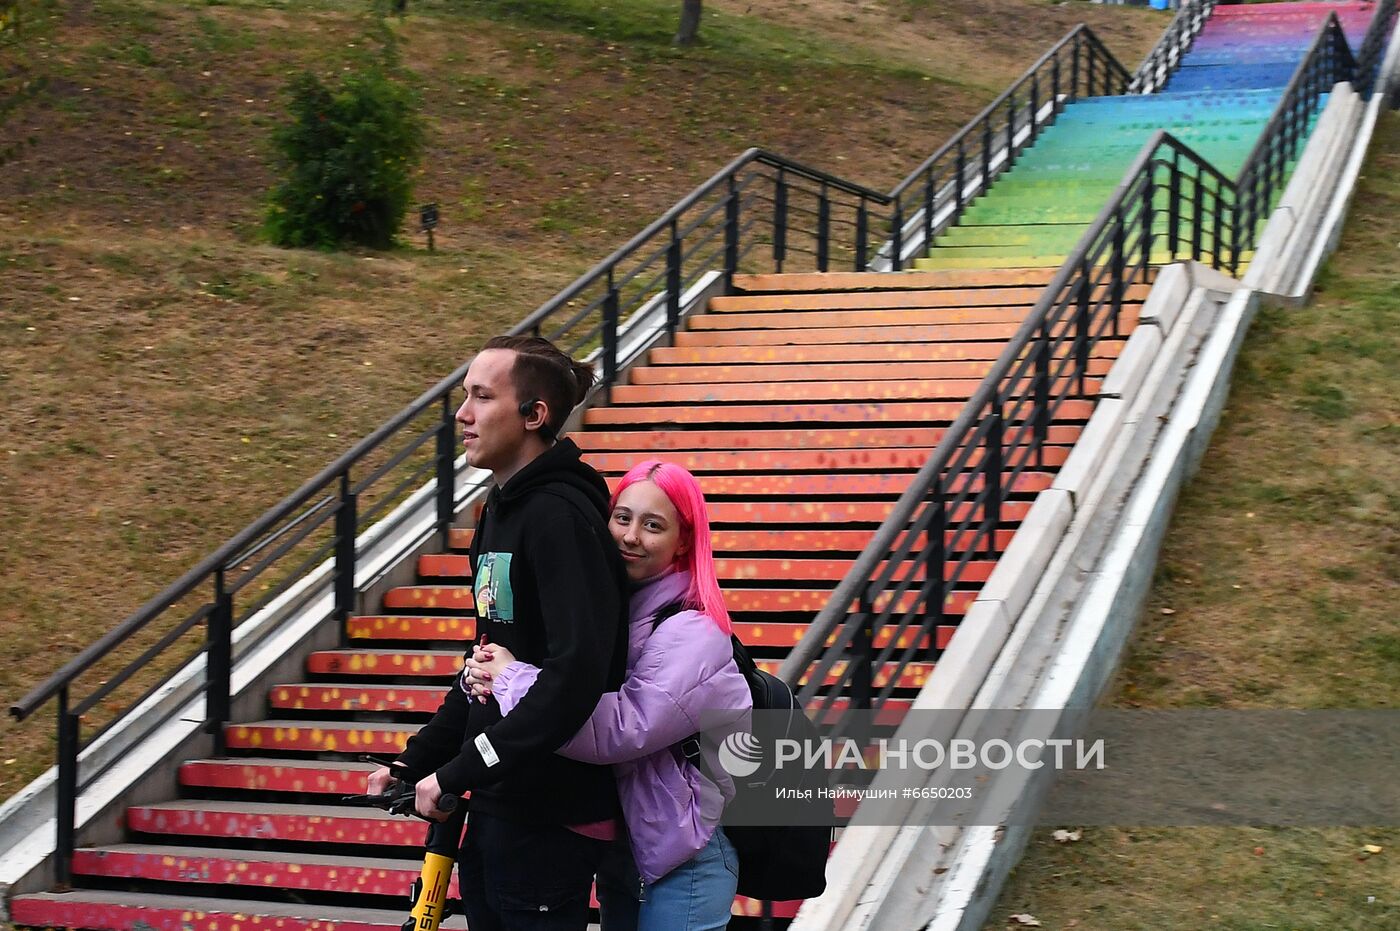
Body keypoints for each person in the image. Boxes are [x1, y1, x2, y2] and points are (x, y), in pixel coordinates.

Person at [367, 335, 631, 931]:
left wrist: (460, 771)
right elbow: (482, 668)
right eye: (466, 397)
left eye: (482, 397)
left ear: (533, 415)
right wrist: (415, 762)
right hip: (496, 805)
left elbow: (574, 680)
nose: (462, 414)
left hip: (548, 816)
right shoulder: (500, 511)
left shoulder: (560, 518)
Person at [464, 460, 753, 931]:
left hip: (687, 857)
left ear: (683, 541)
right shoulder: (614, 608)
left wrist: (512, 679)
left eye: (653, 525)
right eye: (622, 517)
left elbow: (623, 728)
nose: (630, 536)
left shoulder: (694, 632)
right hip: (630, 847)